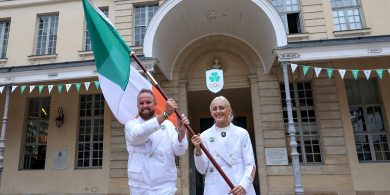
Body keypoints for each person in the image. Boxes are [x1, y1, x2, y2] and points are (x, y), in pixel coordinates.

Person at [125, 89, 189, 195]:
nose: (145, 105)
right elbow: (139, 134)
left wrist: (182, 132)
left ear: (155, 104)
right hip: (139, 186)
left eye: (148, 102)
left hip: (165, 186)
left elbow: (179, 151)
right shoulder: (131, 125)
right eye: (141, 103)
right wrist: (165, 114)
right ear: (137, 106)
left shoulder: (168, 125)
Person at [191, 96, 256, 195]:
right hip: (215, 188)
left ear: (229, 110)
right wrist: (197, 150)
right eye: (214, 109)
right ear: (211, 113)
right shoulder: (204, 136)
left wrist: (243, 185)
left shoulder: (242, 133)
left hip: (238, 186)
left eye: (221, 108)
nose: (218, 111)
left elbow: (250, 164)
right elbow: (202, 169)